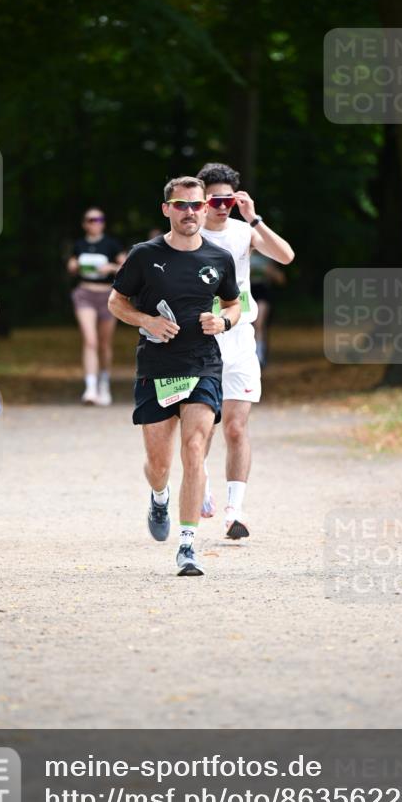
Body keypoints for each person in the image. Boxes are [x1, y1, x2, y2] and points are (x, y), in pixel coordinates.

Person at [108, 176, 240, 576]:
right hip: (157, 367)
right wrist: (147, 320)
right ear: (166, 209)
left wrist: (223, 322)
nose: (190, 212)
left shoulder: (218, 258)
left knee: (195, 448)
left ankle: (187, 546)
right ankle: (159, 495)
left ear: (205, 209)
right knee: (159, 463)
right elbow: (116, 302)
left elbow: (234, 304)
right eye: (181, 205)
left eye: (197, 206)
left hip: (202, 363)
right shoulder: (145, 255)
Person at [197, 162, 294, 539]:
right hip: (202, 340)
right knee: (202, 425)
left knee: (236, 428)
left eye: (228, 200)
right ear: (202, 201)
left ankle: (235, 511)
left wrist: (254, 220)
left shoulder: (242, 231)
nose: (222, 207)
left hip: (240, 338)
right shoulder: (188, 234)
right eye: (215, 200)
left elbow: (285, 256)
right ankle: (199, 481)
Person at [66, 207, 126, 405]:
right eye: (91, 219)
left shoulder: (112, 244)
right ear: (84, 223)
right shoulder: (79, 244)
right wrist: (73, 266)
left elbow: (127, 267)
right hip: (84, 294)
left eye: (99, 219)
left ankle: (104, 383)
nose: (95, 223)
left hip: (108, 296)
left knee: (104, 343)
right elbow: (71, 265)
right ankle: (90, 388)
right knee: (90, 340)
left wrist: (110, 267)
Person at [250, 250, 286, 368]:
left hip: (262, 292)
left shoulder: (268, 257)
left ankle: (259, 357)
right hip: (246, 293)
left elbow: (281, 279)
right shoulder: (241, 253)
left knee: (259, 324)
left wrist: (270, 272)